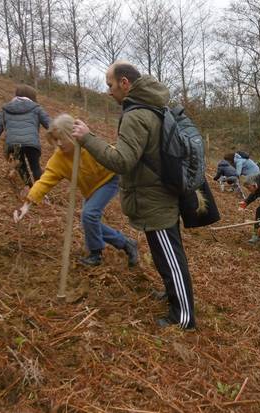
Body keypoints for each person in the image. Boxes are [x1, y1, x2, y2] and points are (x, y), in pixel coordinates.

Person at [70, 61, 196, 330]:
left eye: (110, 85)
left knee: (171, 259)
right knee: (165, 256)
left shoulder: (136, 115)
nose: (108, 91)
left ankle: (184, 317)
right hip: (157, 195)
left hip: (156, 199)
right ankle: (173, 296)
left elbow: (123, 161)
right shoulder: (151, 107)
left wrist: (88, 139)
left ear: (124, 83)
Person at [12, 114, 139, 267]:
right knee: (88, 221)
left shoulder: (89, 145)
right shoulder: (58, 159)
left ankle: (95, 253)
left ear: (71, 134)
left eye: (61, 138)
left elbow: (113, 154)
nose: (58, 143)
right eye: (55, 139)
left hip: (109, 180)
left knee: (89, 214)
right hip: (90, 189)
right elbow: (45, 182)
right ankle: (126, 243)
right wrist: (27, 204)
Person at [0, 84, 51, 188]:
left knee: (21, 167)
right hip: (31, 143)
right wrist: (63, 136)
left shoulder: (6, 109)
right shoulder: (36, 108)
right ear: (32, 96)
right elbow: (50, 124)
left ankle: (29, 188)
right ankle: (42, 193)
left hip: (13, 144)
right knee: (35, 167)